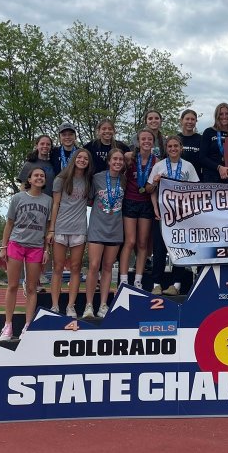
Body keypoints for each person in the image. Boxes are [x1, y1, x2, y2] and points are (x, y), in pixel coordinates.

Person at [0, 166, 52, 339]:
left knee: (31, 288)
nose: (39, 177)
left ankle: (28, 325)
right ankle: (8, 325)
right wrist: (3, 247)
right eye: (36, 175)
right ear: (29, 179)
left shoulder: (48, 201)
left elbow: (48, 228)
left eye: (42, 175)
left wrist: (46, 249)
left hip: (36, 247)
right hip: (16, 244)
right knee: (13, 285)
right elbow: (9, 223)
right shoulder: (18, 198)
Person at [150, 135, 201, 295]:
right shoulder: (158, 166)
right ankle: (156, 284)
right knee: (159, 249)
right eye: (170, 146)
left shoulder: (188, 166)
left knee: (179, 248)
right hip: (163, 214)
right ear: (166, 149)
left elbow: (196, 189)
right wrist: (155, 207)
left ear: (181, 148)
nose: (173, 149)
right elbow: (150, 189)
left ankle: (176, 285)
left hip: (181, 215)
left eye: (176, 146)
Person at [47, 147, 92, 317]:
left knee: (75, 267)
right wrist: (51, 228)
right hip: (61, 227)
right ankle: (55, 305)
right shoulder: (61, 179)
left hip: (79, 228)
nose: (82, 160)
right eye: (79, 157)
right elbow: (55, 204)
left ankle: (70, 306)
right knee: (57, 267)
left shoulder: (88, 181)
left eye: (85, 159)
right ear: (74, 159)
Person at [84, 148, 127, 318]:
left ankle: (103, 304)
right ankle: (88, 305)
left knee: (108, 267)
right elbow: (88, 200)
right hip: (97, 228)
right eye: (114, 159)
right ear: (109, 161)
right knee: (94, 266)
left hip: (115, 229)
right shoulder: (97, 178)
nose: (118, 162)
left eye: (120, 160)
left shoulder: (124, 180)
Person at [118, 130, 158, 290]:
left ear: (153, 142)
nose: (146, 141)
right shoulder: (129, 157)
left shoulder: (157, 161)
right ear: (138, 141)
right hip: (130, 201)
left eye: (149, 139)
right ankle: (123, 279)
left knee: (142, 243)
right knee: (130, 241)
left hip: (146, 204)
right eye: (143, 139)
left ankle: (138, 280)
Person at [201, 102, 228, 182]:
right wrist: (219, 167)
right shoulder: (209, 132)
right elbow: (202, 158)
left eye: (227, 114)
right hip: (211, 176)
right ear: (217, 116)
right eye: (221, 114)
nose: (224, 116)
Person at [176, 109, 204, 174]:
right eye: (187, 119)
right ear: (181, 121)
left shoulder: (201, 139)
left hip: (196, 177)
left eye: (193, 119)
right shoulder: (176, 139)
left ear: (196, 121)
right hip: (178, 177)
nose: (190, 122)